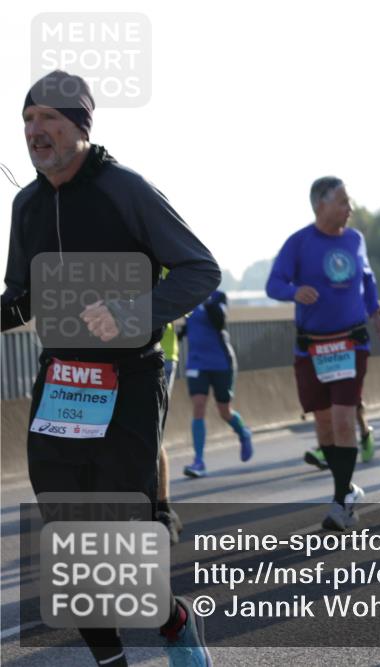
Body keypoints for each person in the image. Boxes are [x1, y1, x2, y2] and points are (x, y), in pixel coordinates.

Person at [3, 71, 218, 666]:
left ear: (80, 125)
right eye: (27, 119)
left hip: (129, 381)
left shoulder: (127, 190)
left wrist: (133, 311)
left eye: (49, 118)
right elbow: (20, 297)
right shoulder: (26, 204)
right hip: (62, 386)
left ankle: (174, 621)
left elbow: (201, 270)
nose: (35, 130)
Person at [266, 176, 380, 529]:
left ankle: (340, 503)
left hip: (352, 342)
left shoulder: (355, 239)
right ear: (320, 204)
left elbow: (367, 280)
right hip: (312, 348)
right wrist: (295, 291)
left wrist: (377, 316)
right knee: (323, 424)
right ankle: (347, 488)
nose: (349, 208)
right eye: (342, 202)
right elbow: (273, 284)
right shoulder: (299, 243)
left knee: (342, 418)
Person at [179, 290, 253, 477]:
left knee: (224, 410)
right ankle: (199, 461)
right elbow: (190, 326)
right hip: (196, 363)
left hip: (221, 362)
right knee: (198, 405)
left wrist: (206, 300)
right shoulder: (188, 296)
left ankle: (243, 432)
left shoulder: (218, 297)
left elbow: (219, 321)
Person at [157, 315, 183, 543]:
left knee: (152, 434)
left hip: (157, 354)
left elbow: (184, 304)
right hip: (105, 355)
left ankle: (163, 510)